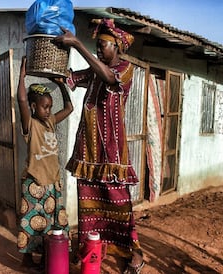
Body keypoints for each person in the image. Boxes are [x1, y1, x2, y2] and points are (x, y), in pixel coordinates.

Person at [54, 18, 145, 273]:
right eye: (97, 45)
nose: (98, 49)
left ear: (117, 47)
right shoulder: (95, 69)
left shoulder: (125, 69)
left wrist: (77, 45)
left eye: (103, 45)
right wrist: (56, 59)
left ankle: (134, 253)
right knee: (88, 203)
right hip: (87, 150)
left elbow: (108, 78)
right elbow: (69, 79)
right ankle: (91, 250)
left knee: (119, 202)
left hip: (112, 153)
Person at [16, 56, 73, 270]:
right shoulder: (30, 125)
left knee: (52, 223)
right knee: (31, 223)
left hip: (52, 182)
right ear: (33, 106)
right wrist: (22, 77)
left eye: (49, 107)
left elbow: (69, 108)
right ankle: (28, 259)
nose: (48, 111)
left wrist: (61, 86)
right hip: (35, 183)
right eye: (44, 107)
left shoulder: (49, 122)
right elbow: (21, 100)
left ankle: (50, 256)